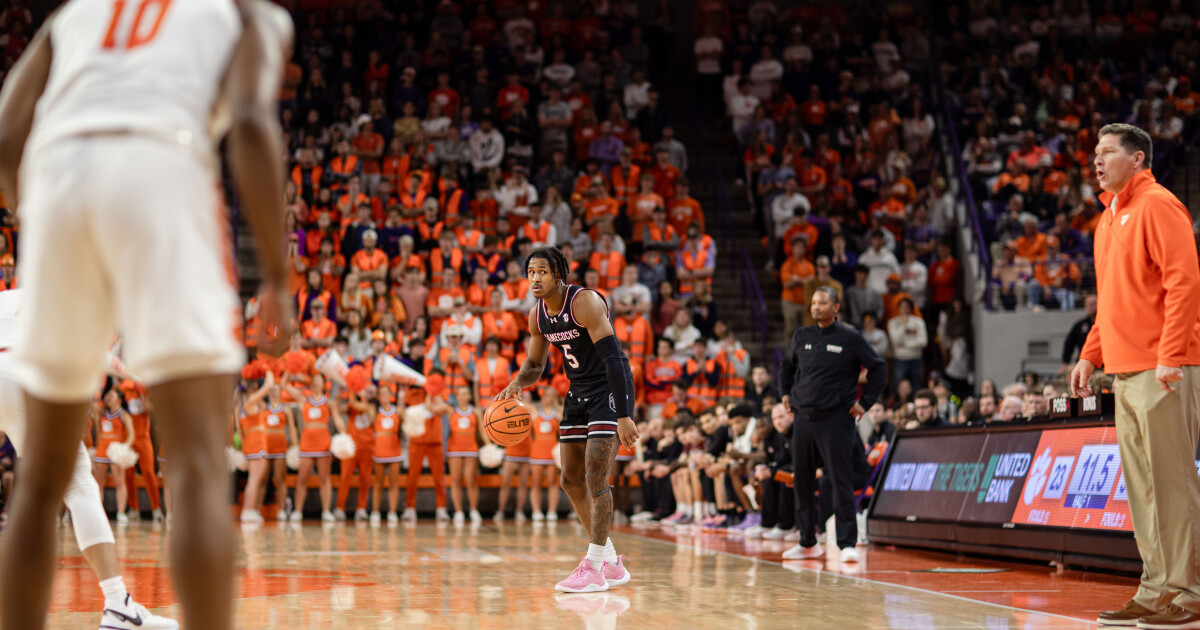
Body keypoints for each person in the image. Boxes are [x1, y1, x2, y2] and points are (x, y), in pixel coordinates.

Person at [0, 2, 295, 628]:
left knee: (42, 478)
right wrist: (276, 274)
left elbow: (6, 130)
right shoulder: (252, 15)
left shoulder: (76, 12)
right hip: (162, 165)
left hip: (55, 176)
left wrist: (48, 218)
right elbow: (250, 122)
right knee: (196, 466)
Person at [1070, 124, 1200, 629]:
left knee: (1172, 484)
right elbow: (1110, 301)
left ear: (1138, 158)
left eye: (1107, 152)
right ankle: (1155, 588)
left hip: (1163, 366)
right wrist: (1090, 354)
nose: (1097, 161)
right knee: (1143, 489)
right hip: (1123, 369)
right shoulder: (1108, 218)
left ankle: (1190, 593)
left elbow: (1184, 283)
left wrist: (1172, 353)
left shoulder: (1159, 204)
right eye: (1095, 153)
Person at [0, 293, 177, 629]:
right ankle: (117, 604)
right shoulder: (62, 293)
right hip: (22, 372)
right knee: (80, 483)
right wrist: (140, 376)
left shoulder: (7, 298)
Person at [497, 246, 639, 593]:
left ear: (558, 274)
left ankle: (593, 566)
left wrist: (624, 415)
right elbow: (535, 365)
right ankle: (609, 560)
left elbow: (614, 360)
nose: (535, 278)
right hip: (577, 392)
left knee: (595, 474)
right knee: (570, 479)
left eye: (542, 272)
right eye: (531, 272)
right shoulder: (537, 315)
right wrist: (516, 383)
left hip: (608, 389)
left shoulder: (583, 302)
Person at [779, 287, 885, 563]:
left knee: (840, 480)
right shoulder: (802, 335)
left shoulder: (850, 338)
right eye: (814, 303)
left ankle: (847, 542)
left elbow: (878, 368)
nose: (816, 307)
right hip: (804, 418)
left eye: (822, 303)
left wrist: (865, 403)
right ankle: (807, 542)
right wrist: (784, 393)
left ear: (836, 307)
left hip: (836, 420)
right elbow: (786, 367)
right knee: (802, 480)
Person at [282, 372, 345, 522]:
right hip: (306, 443)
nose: (317, 383)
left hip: (323, 443)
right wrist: (290, 372)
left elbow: (338, 420)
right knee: (302, 478)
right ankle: (298, 511)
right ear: (311, 384)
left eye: (319, 380)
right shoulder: (303, 399)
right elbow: (284, 385)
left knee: (325, 478)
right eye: (314, 380)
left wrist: (344, 435)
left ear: (324, 384)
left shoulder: (329, 402)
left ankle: (326, 511)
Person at [92, 389, 136, 523]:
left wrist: (124, 448)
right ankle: (98, 512)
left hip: (115, 451)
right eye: (107, 395)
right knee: (98, 483)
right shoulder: (102, 412)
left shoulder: (124, 415)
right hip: (102, 449)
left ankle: (121, 512)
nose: (108, 397)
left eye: (112, 395)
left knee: (119, 482)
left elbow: (131, 435)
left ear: (119, 400)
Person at [446, 385, 486, 525]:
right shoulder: (451, 410)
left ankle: (473, 510)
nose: (462, 397)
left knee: (471, 480)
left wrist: (489, 446)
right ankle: (458, 512)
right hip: (454, 450)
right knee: (455, 480)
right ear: (456, 397)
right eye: (460, 394)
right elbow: (432, 407)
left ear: (469, 396)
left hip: (471, 449)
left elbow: (482, 430)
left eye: (465, 394)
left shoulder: (475, 411)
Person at [528, 385, 562, 522]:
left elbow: (562, 434)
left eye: (548, 395)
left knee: (552, 482)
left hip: (552, 453)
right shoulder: (535, 412)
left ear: (553, 398)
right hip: (537, 452)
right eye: (543, 395)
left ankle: (552, 511)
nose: (544, 397)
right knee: (536, 482)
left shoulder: (558, 414)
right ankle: (536, 511)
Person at [1060, 294, 1096, 373]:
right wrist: (1065, 362)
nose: (1090, 307)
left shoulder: (1105, 324)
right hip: (1084, 362)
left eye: (1093, 304)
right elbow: (1069, 344)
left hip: (1102, 363)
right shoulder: (1080, 325)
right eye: (1088, 304)